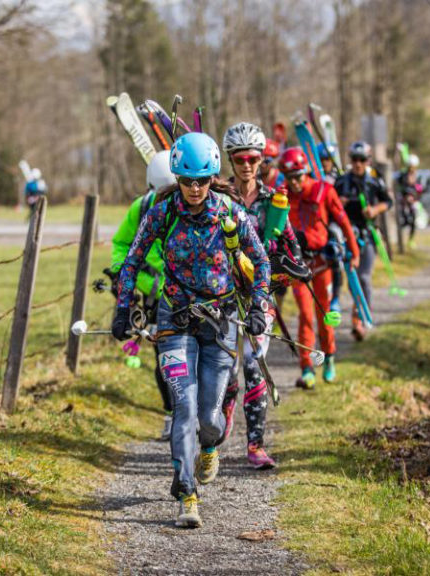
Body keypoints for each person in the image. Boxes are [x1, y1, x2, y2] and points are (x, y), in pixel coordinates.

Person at [112, 132, 270, 529]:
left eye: (202, 180)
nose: (195, 189)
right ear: (177, 178)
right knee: (183, 406)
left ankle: (211, 447)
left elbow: (261, 262)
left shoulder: (231, 212)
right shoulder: (162, 212)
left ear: (212, 176)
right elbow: (131, 261)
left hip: (219, 322)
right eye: (187, 180)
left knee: (210, 419)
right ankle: (186, 494)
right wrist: (123, 307)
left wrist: (257, 310)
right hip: (174, 320)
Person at [219, 122, 307, 470]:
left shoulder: (274, 201)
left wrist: (294, 266)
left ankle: (255, 445)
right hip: (222, 295)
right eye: (239, 159)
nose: (246, 165)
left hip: (260, 297)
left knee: (255, 366)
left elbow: (290, 245)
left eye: (253, 159)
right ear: (230, 159)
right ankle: (225, 407)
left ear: (261, 160)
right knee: (226, 370)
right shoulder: (218, 196)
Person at [109, 150, 176, 441]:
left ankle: (198, 411)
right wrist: (119, 273)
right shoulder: (141, 207)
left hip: (189, 294)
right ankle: (172, 413)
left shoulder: (189, 207)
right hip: (154, 297)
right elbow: (122, 243)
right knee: (164, 358)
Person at [279, 147, 359, 388]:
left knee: (324, 313)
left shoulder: (324, 191)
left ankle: (330, 357)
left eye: (298, 176)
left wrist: (354, 252)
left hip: (323, 263)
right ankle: (307, 368)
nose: (294, 182)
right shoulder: (281, 196)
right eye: (289, 177)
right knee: (304, 314)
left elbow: (344, 222)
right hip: (298, 265)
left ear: (306, 173)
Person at [335, 141, 393, 341]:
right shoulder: (342, 181)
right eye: (354, 160)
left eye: (362, 160)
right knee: (352, 279)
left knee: (365, 277)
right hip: (347, 236)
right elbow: (329, 203)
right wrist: (338, 204)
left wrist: (375, 210)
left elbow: (388, 201)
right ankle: (357, 314)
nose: (358, 164)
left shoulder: (375, 179)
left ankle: (360, 320)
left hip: (368, 234)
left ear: (368, 160)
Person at [396, 154, 424, 249]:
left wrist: (415, 197)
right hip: (404, 202)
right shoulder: (402, 176)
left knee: (413, 221)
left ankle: (410, 240)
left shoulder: (418, 176)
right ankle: (400, 240)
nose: (412, 168)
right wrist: (405, 196)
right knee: (403, 221)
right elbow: (399, 187)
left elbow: (420, 190)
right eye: (410, 166)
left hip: (414, 202)